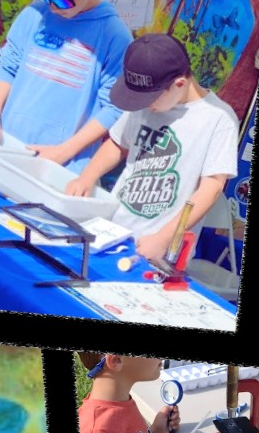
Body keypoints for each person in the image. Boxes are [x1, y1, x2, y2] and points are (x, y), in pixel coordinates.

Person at [65, 33, 239, 264]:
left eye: (148, 100)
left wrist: (163, 238)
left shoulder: (219, 119)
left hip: (159, 249)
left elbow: (212, 186)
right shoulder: (146, 103)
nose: (143, 106)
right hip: (112, 231)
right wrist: (86, 178)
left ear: (179, 84)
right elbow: (117, 143)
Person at [0, 0, 132, 171]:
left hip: (61, 165)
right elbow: (8, 68)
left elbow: (114, 108)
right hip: (4, 146)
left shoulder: (115, 36)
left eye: (61, 1)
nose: (53, 8)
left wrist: (63, 152)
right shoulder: (34, 15)